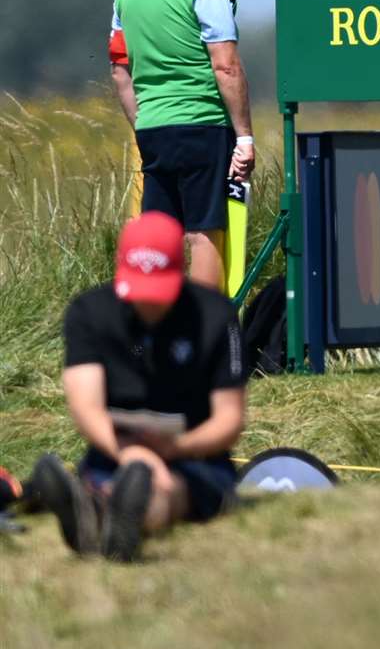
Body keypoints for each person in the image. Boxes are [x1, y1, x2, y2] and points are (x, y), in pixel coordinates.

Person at [30, 212, 248, 562]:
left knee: (164, 485)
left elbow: (230, 418)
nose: (148, 301)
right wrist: (132, 453)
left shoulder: (216, 316)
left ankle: (101, 517)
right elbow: (86, 407)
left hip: (196, 455)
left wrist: (176, 448)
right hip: (112, 448)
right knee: (136, 475)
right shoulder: (89, 313)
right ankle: (107, 512)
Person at [108, 0, 255, 290]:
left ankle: (150, 335)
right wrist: (244, 137)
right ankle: (205, 337)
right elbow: (225, 65)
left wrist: (143, 123)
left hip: (153, 128)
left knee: (158, 237)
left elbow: (120, 70)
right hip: (203, 125)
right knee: (204, 232)